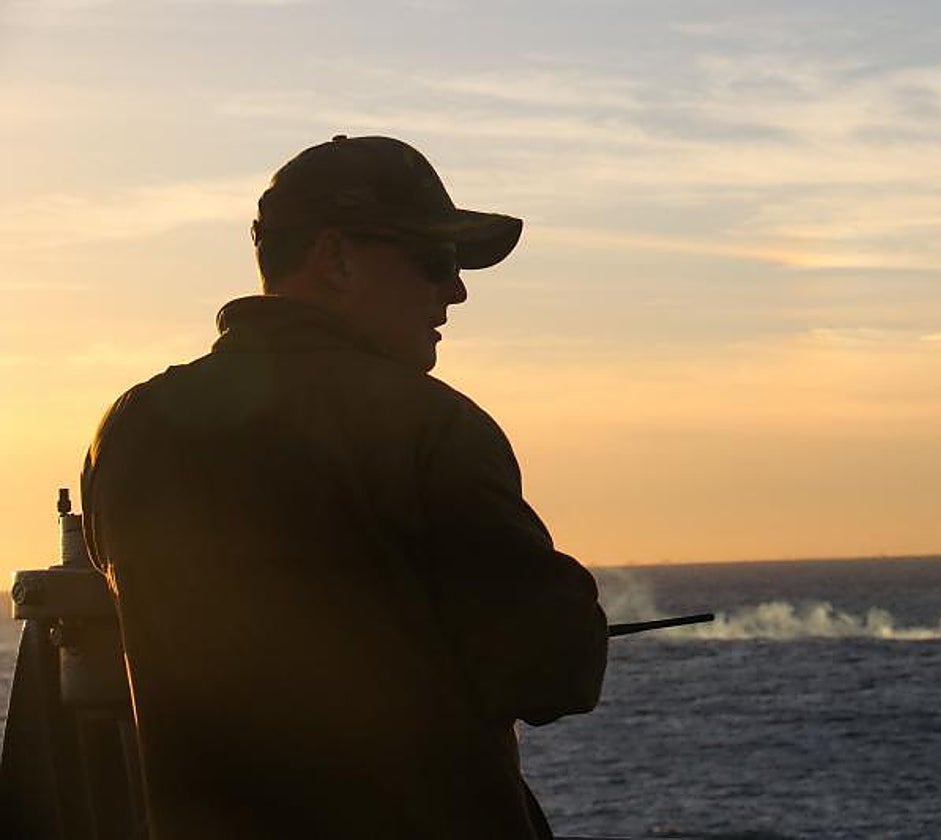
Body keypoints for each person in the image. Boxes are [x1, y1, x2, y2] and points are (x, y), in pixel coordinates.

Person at [81, 135, 609, 839]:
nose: (455, 289)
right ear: (335, 258)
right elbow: (550, 673)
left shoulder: (129, 430)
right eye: (434, 258)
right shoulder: (431, 426)